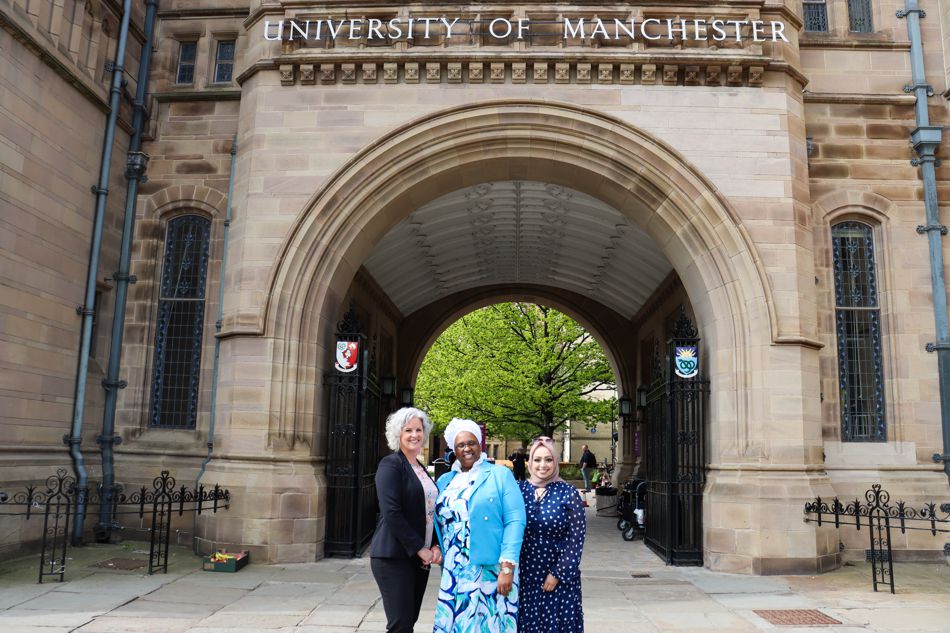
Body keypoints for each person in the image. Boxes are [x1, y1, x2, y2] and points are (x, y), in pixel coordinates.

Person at [434, 418, 526, 633]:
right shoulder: (445, 481)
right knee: (457, 623)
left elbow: (515, 519)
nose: (467, 448)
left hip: (491, 567)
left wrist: (507, 567)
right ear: (453, 450)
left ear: (480, 444)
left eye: (471, 442)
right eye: (461, 445)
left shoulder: (500, 475)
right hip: (454, 569)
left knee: (489, 624)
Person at [370, 407, 442, 633]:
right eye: (408, 430)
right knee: (400, 625)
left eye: (418, 430)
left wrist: (434, 545)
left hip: (418, 558)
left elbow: (429, 512)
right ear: (397, 434)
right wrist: (420, 549)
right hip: (393, 556)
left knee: (408, 622)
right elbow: (392, 512)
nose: (414, 435)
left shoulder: (419, 467)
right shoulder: (391, 465)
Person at [517, 437, 586, 633]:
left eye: (548, 459)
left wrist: (557, 573)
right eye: (537, 460)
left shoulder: (568, 492)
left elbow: (576, 539)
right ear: (529, 462)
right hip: (526, 574)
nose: (542, 465)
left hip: (558, 578)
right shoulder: (519, 490)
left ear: (555, 462)